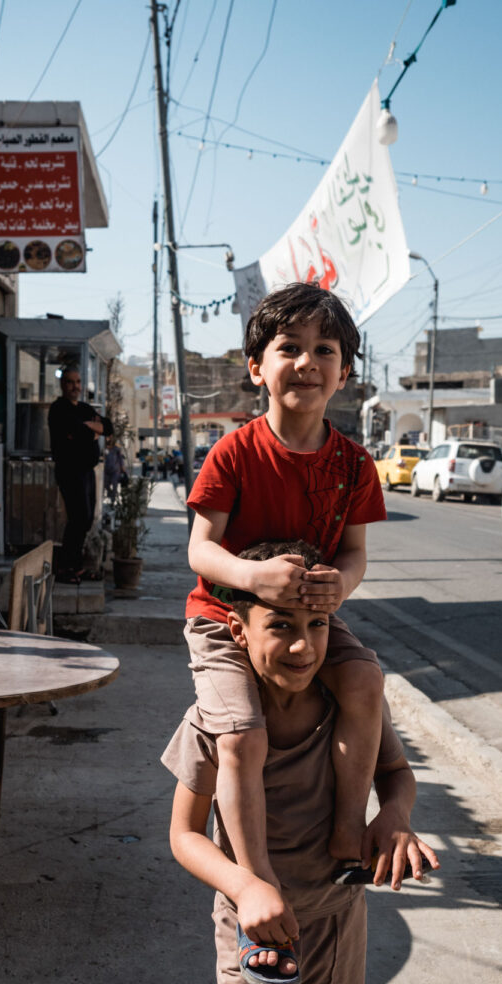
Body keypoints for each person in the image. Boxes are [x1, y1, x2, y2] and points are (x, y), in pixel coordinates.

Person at [165, 540, 439, 984]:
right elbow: (183, 835)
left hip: (338, 915)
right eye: (281, 626)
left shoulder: (350, 707)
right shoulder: (219, 721)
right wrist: (244, 884)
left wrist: (394, 815)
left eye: (317, 626)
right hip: (254, 928)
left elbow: (396, 774)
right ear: (237, 629)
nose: (301, 646)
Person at [185, 282, 386, 950]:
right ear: (256, 368)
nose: (306, 361)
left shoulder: (355, 463)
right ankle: (254, 877)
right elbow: (201, 548)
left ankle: (346, 827)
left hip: (308, 616)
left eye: (323, 349)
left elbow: (354, 556)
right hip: (223, 616)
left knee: (364, 682)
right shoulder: (235, 452)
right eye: (288, 348)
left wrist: (338, 590)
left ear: (345, 372)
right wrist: (251, 577)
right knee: (241, 734)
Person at [47, 366, 111, 582]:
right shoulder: (59, 409)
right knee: (77, 518)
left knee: (86, 519)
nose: (75, 386)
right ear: (62, 385)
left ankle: (76, 566)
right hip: (69, 470)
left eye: (77, 382)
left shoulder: (83, 408)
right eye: (70, 382)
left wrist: (89, 428)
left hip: (87, 471)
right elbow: (77, 431)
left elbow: (109, 427)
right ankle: (66, 569)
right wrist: (91, 430)